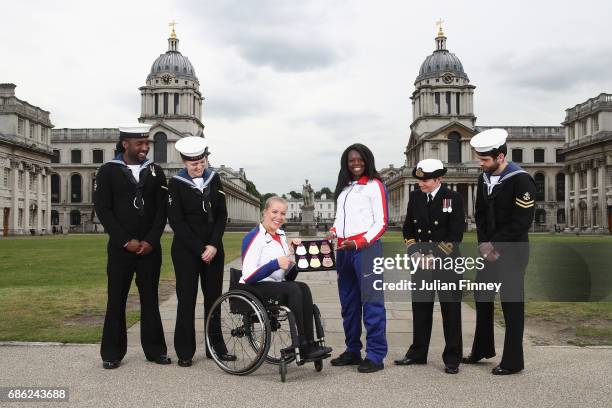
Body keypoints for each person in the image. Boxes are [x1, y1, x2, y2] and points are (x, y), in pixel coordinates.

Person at [93, 124, 170, 369]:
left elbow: (161, 210)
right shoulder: (107, 171)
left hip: (149, 249)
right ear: (125, 144)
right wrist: (125, 240)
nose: (145, 148)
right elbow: (103, 210)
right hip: (120, 249)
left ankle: (156, 350)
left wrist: (151, 240)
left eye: (147, 143)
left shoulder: (156, 172)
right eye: (140, 144)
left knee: (150, 299)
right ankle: (112, 353)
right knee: (116, 299)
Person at [464, 128, 536, 375]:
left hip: (513, 252)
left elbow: (522, 221)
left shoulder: (521, 179)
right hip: (489, 252)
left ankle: (513, 361)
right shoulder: (483, 177)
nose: (481, 164)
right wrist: (484, 243)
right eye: (480, 159)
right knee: (481, 296)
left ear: (501, 156)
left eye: (485, 160)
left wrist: (495, 245)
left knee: (511, 306)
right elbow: (480, 214)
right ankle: (482, 349)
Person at [167, 136, 235, 367]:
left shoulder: (213, 179)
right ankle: (185, 351)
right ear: (184, 162)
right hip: (187, 251)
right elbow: (176, 221)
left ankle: (215, 347)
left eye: (202, 161)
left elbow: (221, 214)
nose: (199, 167)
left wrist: (214, 244)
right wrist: (199, 249)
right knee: (186, 300)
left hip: (214, 249)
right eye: (193, 163)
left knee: (213, 299)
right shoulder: (175, 183)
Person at [239, 196, 332, 359]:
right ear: (265, 212)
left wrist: (299, 262)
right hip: (255, 287)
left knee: (303, 287)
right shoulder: (254, 237)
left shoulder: (281, 236)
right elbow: (248, 276)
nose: (279, 217)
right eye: (275, 212)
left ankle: (309, 342)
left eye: (282, 213)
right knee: (294, 289)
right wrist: (275, 264)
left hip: (276, 285)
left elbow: (285, 275)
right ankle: (302, 343)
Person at [394, 159, 464, 374]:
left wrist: (435, 255)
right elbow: (408, 230)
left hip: (446, 263)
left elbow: (456, 233)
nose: (421, 184)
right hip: (420, 263)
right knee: (421, 309)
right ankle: (418, 352)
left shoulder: (452, 198)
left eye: (426, 180)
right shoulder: (415, 197)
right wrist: (415, 252)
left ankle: (452, 358)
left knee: (450, 311)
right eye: (420, 180)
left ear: (439, 179)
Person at [329, 143, 388, 373]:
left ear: (367, 160)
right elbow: (338, 219)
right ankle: (352, 350)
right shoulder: (344, 188)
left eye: (359, 159)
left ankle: (375, 355)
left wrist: (360, 242)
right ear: (346, 163)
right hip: (344, 250)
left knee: (372, 303)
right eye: (351, 160)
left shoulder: (374, 185)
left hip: (366, 249)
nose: (355, 163)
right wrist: (333, 232)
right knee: (349, 304)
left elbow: (381, 223)